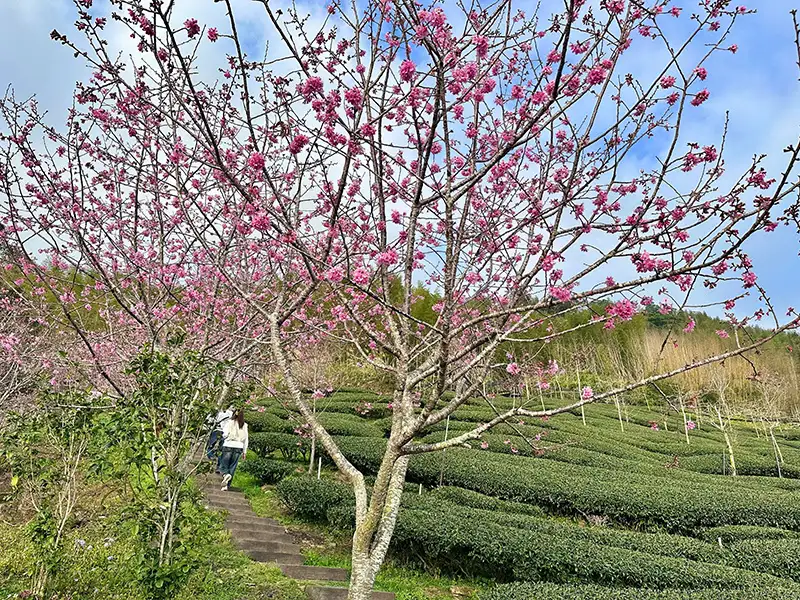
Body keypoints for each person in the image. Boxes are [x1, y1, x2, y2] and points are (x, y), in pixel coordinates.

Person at [219, 409, 248, 491]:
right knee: (232, 467)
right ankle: (226, 486)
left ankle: (225, 475)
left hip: (228, 444)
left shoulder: (229, 422)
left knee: (224, 465)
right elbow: (246, 439)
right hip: (239, 446)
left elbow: (225, 434)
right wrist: (244, 451)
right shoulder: (244, 425)